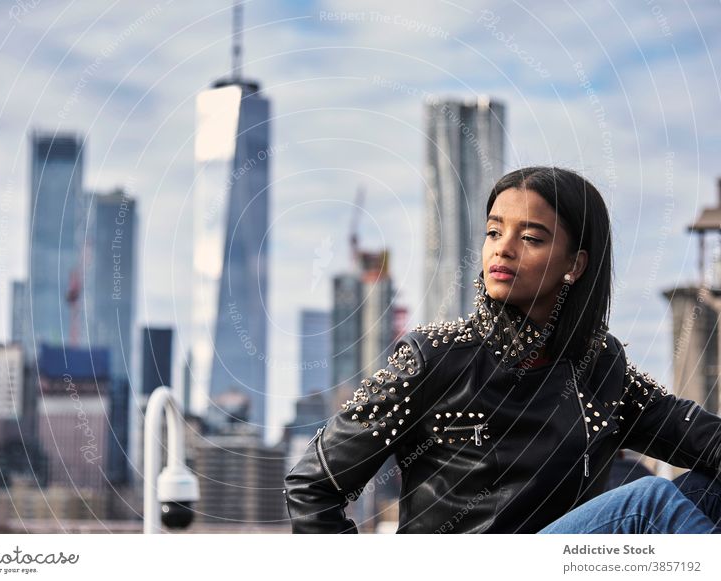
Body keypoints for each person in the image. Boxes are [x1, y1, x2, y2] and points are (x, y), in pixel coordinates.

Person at [284, 166, 721, 534]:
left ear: (575, 265)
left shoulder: (600, 366)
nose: (503, 248)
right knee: (649, 503)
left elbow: (706, 440)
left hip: (563, 563)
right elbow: (311, 485)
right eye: (494, 231)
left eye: (530, 238)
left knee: (708, 492)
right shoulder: (434, 357)